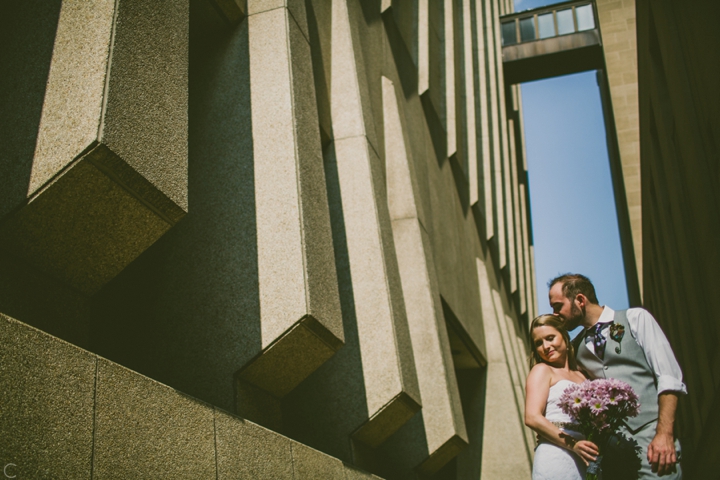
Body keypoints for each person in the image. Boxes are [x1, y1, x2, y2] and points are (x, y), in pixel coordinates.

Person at [548, 273, 685, 479]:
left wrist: (664, 434)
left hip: (654, 444)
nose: (555, 313)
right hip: (613, 455)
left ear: (580, 300)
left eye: (558, 306)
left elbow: (669, 377)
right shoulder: (575, 348)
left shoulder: (635, 318)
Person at [525, 314, 599, 480]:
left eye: (550, 338)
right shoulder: (542, 370)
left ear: (564, 336)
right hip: (555, 456)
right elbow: (532, 417)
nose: (546, 346)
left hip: (585, 457)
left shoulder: (582, 375)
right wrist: (573, 444)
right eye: (538, 343)